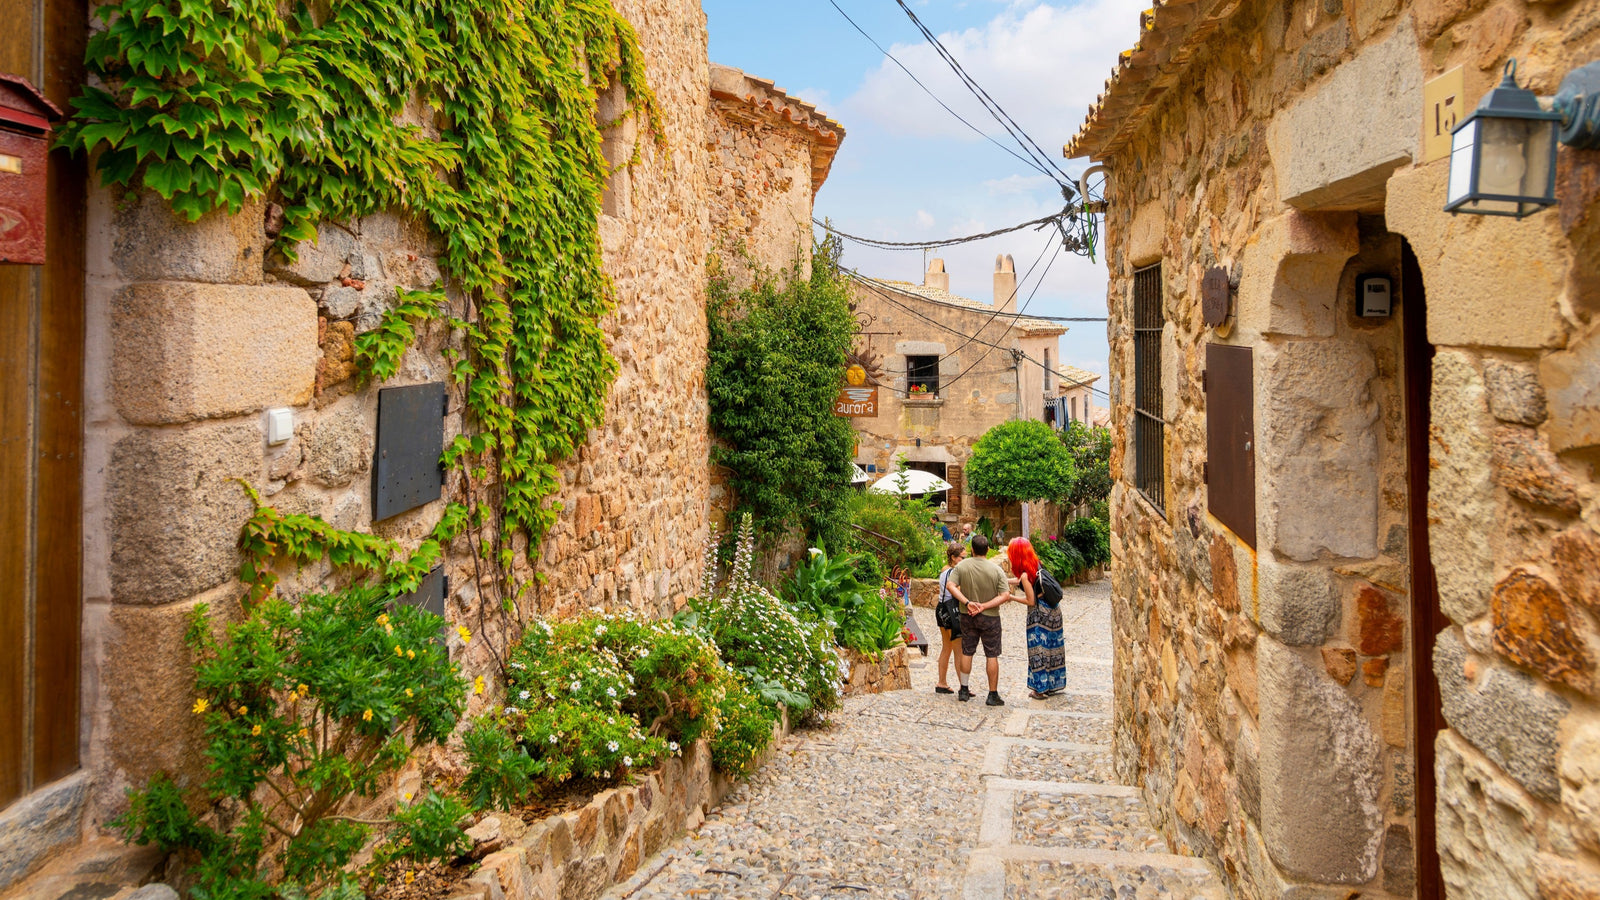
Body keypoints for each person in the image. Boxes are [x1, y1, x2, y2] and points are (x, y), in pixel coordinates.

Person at [952, 534, 1012, 706]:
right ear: (987, 549)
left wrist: (967, 602)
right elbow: (1005, 595)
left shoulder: (962, 566)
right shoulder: (996, 570)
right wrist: (984, 606)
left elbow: (950, 586)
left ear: (972, 549)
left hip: (967, 614)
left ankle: (964, 689)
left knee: (967, 651)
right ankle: (992, 694)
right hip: (990, 617)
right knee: (991, 654)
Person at [1009, 537, 1066, 699]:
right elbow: (1023, 580)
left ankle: (1040, 690)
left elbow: (1030, 601)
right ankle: (1052, 684)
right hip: (1053, 611)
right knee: (1052, 648)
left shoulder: (1025, 575)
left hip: (1040, 615)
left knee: (1038, 650)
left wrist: (1011, 597)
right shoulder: (1036, 564)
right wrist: (1003, 580)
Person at [934, 541, 967, 695]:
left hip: (941, 610)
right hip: (952, 612)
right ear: (954, 558)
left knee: (946, 647)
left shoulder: (944, 570)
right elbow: (958, 592)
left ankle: (942, 682)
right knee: (958, 650)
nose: (964, 561)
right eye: (962, 558)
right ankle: (963, 687)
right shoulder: (955, 573)